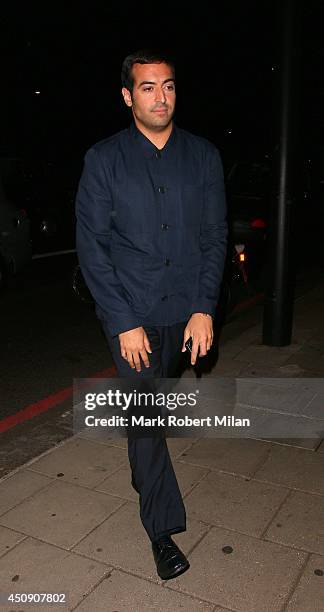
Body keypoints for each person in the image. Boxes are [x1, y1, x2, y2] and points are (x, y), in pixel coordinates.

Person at [75, 49, 227, 580]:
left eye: (167, 85)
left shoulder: (204, 157)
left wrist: (204, 308)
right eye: (147, 87)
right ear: (127, 96)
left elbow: (213, 238)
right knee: (144, 421)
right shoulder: (104, 160)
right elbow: (92, 247)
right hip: (132, 315)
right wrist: (121, 320)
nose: (160, 96)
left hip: (185, 314)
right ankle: (161, 532)